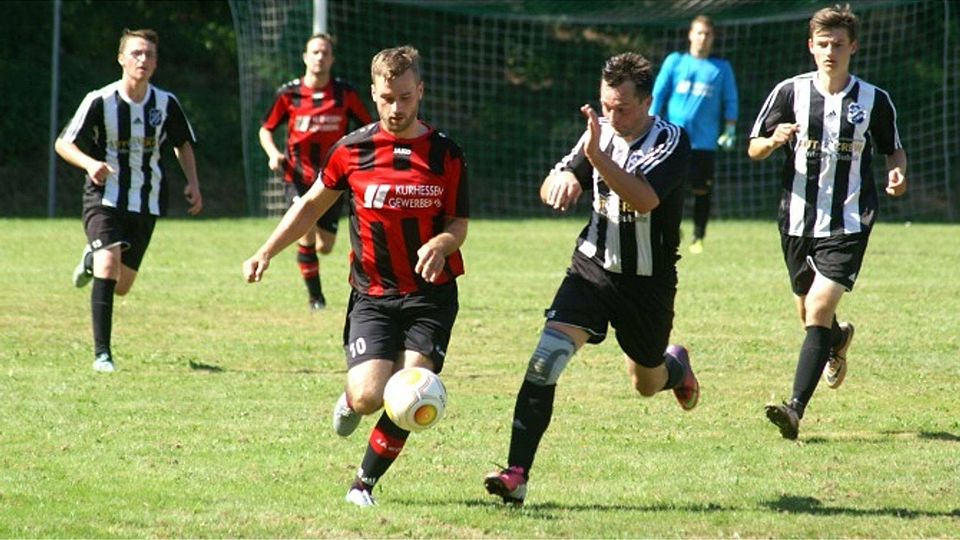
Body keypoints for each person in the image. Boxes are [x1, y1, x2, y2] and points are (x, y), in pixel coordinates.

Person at [243, 45, 468, 507]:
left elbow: (458, 223)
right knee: (368, 397)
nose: (396, 108)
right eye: (387, 98)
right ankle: (350, 400)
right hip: (373, 295)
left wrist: (442, 244)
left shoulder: (446, 153)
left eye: (405, 97)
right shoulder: (352, 150)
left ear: (420, 92)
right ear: (374, 92)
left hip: (431, 296)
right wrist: (266, 251)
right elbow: (308, 207)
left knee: (411, 391)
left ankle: (362, 484)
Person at [484, 52, 700, 506]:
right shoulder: (598, 135)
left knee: (646, 382)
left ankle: (675, 365)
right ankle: (516, 474)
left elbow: (643, 199)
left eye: (622, 107)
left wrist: (596, 157)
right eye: (606, 105)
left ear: (646, 101)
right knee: (544, 361)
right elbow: (555, 180)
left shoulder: (673, 140)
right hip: (592, 270)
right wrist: (561, 180)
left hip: (647, 284)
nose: (612, 115)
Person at [747, 4, 907, 440]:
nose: (830, 51)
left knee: (817, 308)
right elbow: (753, 147)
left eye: (838, 44)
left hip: (851, 219)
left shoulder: (874, 99)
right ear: (811, 47)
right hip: (797, 220)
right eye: (823, 44)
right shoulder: (788, 92)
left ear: (853, 47)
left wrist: (898, 170)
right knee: (808, 312)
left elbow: (893, 147)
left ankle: (794, 408)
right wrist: (772, 140)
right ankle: (836, 341)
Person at [56, 28, 203, 373]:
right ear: (121, 58)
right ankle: (102, 354)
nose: (143, 60)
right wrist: (91, 163)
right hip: (103, 198)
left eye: (149, 54)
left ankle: (91, 262)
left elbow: (182, 143)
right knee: (110, 266)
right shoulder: (100, 100)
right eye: (136, 53)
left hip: (146, 201)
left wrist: (193, 183)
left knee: (121, 286)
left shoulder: (165, 103)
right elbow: (64, 143)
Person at [259, 33, 373, 310]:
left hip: (333, 179)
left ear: (332, 58)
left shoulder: (344, 94)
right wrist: (274, 154)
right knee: (305, 228)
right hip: (297, 177)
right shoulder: (288, 94)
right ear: (305, 57)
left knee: (326, 246)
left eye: (325, 52)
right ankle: (316, 298)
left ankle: (317, 273)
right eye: (315, 52)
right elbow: (266, 129)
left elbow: (369, 127)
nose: (320, 57)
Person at [650, 15, 738, 254]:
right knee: (665, 188)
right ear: (690, 34)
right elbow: (658, 94)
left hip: (704, 143)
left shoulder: (721, 68)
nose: (703, 38)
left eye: (707, 34)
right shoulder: (675, 62)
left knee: (701, 190)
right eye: (699, 33)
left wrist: (730, 129)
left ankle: (698, 237)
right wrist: (649, 124)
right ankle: (668, 230)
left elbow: (730, 99)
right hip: (672, 141)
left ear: (713, 38)